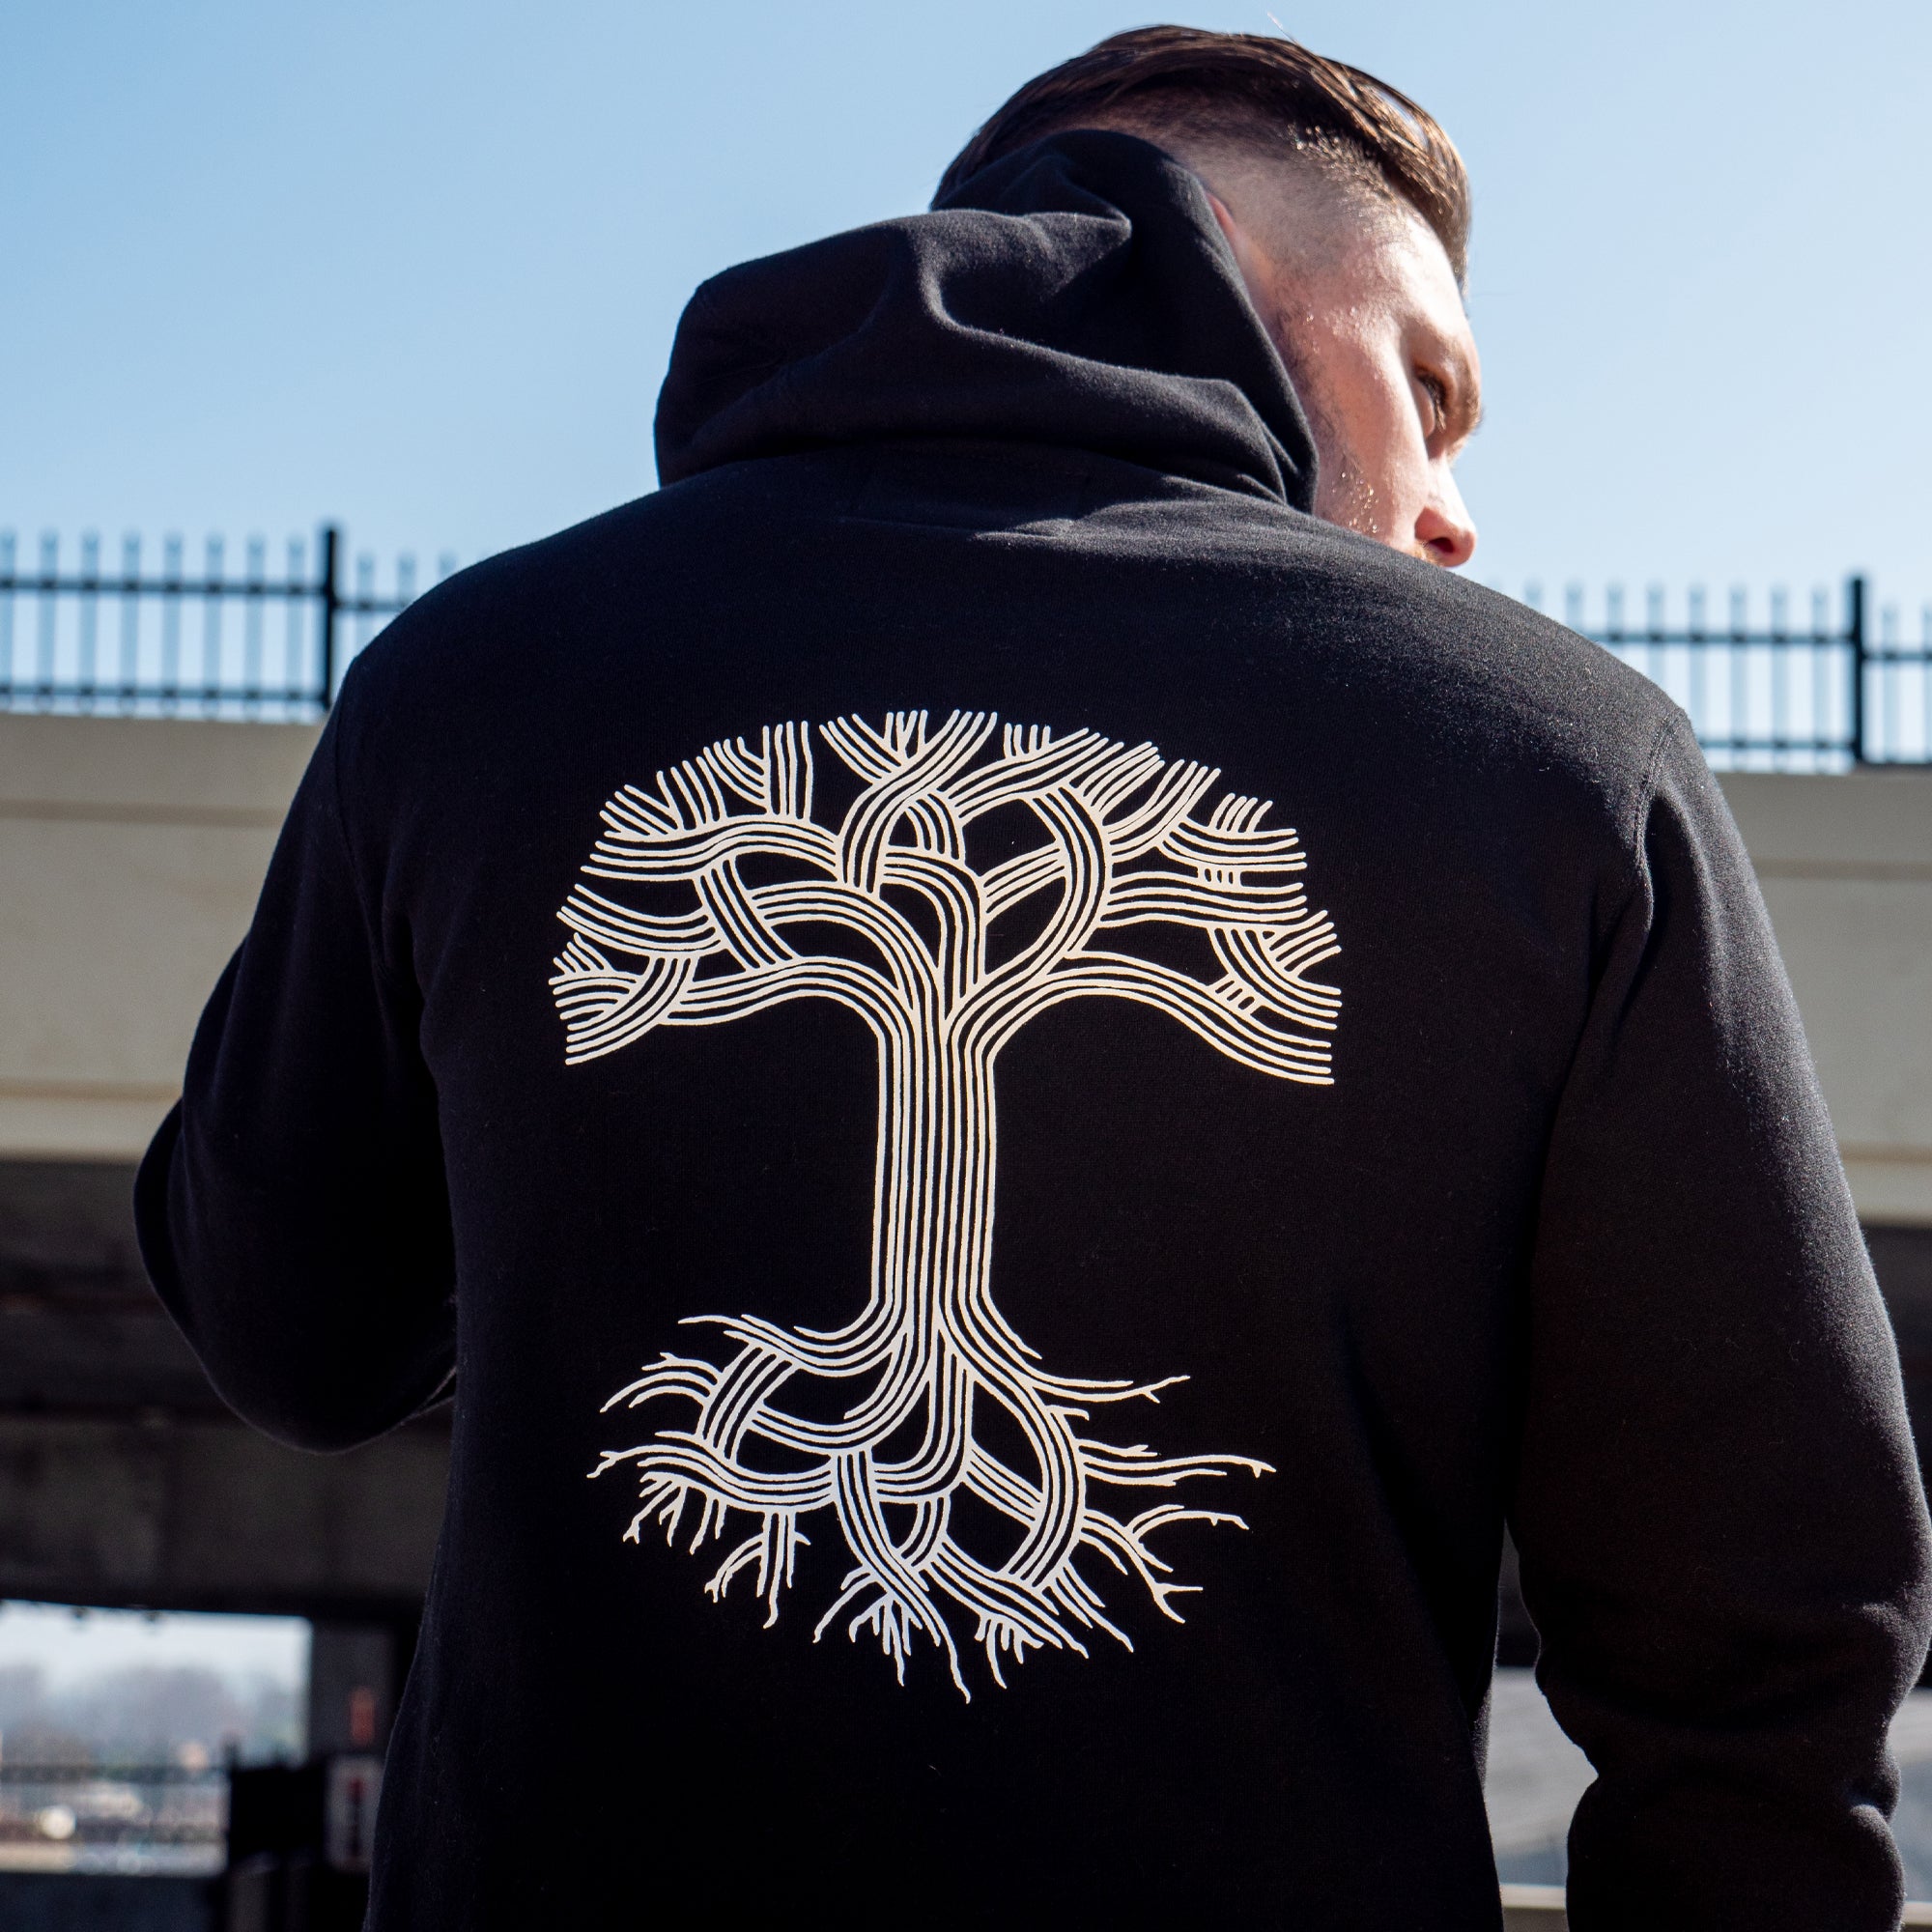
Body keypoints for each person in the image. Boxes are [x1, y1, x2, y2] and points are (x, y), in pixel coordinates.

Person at [136, 26, 1930, 1929]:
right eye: (1430, 386)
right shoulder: (1560, 760)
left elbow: (285, 1327)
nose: (1454, 509)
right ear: (1231, 284)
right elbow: (1757, 1631)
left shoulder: (475, 678)